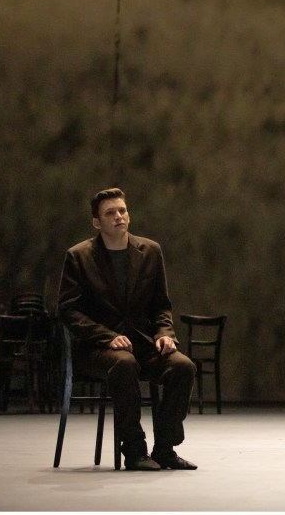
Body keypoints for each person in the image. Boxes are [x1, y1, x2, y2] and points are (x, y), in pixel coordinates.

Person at [58, 188, 198, 471]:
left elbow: (161, 306)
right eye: (110, 213)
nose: (119, 216)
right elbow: (69, 311)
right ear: (97, 222)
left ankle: (165, 449)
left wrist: (164, 335)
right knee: (123, 364)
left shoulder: (150, 251)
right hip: (97, 349)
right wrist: (108, 337)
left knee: (183, 366)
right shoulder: (79, 256)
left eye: (122, 210)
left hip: (142, 344)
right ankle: (134, 451)